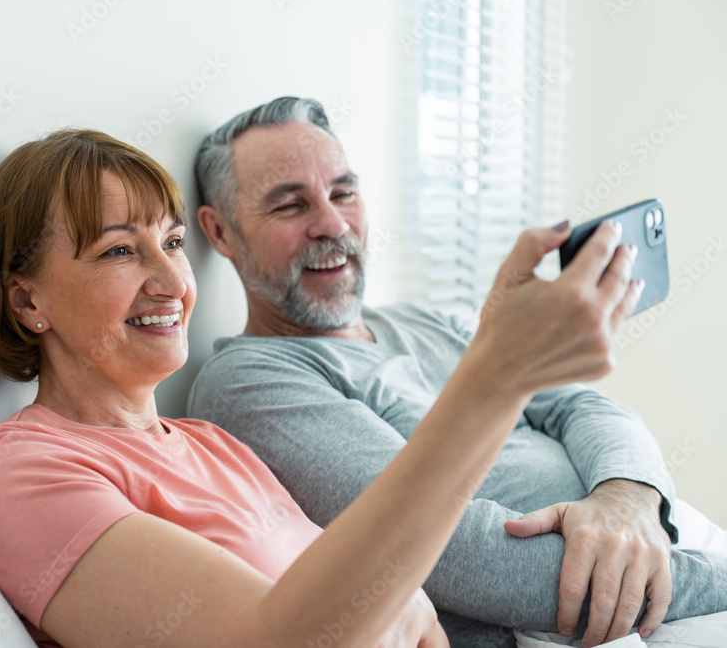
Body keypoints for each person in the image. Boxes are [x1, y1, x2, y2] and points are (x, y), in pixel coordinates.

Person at [0, 128, 645, 648]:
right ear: (26, 302)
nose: (169, 281)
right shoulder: (16, 471)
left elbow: (408, 611)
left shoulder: (213, 446)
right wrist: (497, 379)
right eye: (119, 250)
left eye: (168, 242)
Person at [187, 96, 727, 648]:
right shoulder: (250, 380)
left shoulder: (425, 321)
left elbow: (582, 405)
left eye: (344, 192)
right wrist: (705, 575)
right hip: (596, 610)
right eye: (289, 206)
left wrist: (628, 496)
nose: (331, 223)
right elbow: (460, 560)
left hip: (653, 538)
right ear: (221, 232)